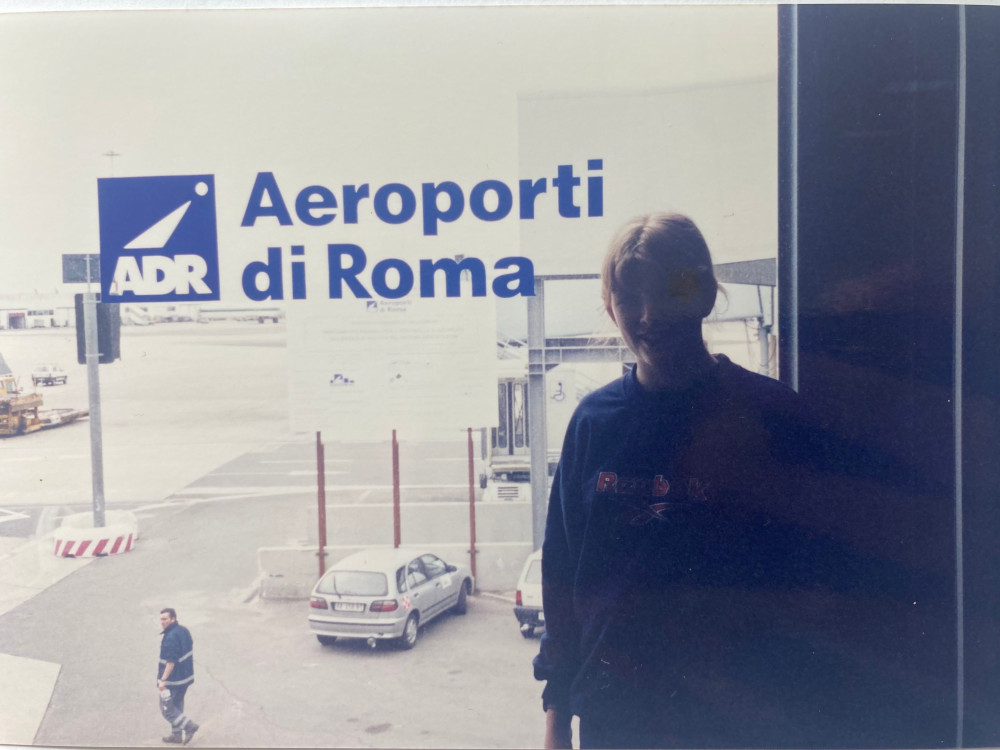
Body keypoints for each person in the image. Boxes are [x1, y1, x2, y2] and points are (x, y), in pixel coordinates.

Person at [532, 213, 856, 749]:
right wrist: (556, 719)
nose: (649, 314)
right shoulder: (593, 423)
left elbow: (819, 585)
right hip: (614, 718)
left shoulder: (773, 417)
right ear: (610, 306)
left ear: (705, 294)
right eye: (629, 295)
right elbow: (562, 577)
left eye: (668, 291)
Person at [157, 608, 199, 745]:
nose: (162, 622)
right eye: (161, 619)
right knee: (177, 706)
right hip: (185, 678)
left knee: (167, 710)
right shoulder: (184, 631)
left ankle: (190, 727)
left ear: (173, 618)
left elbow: (171, 662)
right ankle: (176, 735)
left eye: (165, 619)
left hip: (173, 680)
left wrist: (163, 681)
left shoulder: (170, 637)